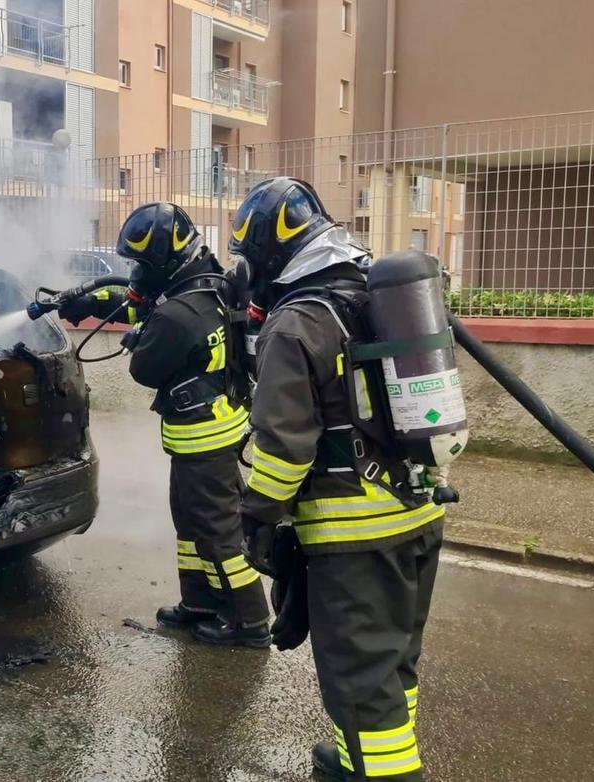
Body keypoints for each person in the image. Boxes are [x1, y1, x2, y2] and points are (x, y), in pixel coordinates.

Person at [231, 177, 443, 781]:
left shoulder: (295, 324)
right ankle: (362, 754)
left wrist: (255, 518)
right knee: (394, 658)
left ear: (270, 258)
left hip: (355, 532)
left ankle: (379, 769)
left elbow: (282, 451)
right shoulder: (371, 294)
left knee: (358, 675)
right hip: (419, 509)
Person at [60, 202, 271, 647]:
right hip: (215, 428)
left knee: (216, 533)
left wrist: (139, 337)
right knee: (191, 525)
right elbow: (140, 306)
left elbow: (145, 369)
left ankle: (248, 619)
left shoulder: (176, 315)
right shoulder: (207, 285)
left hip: (203, 439)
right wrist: (94, 302)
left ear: (164, 261)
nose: (135, 274)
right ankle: (199, 601)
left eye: (142, 264)